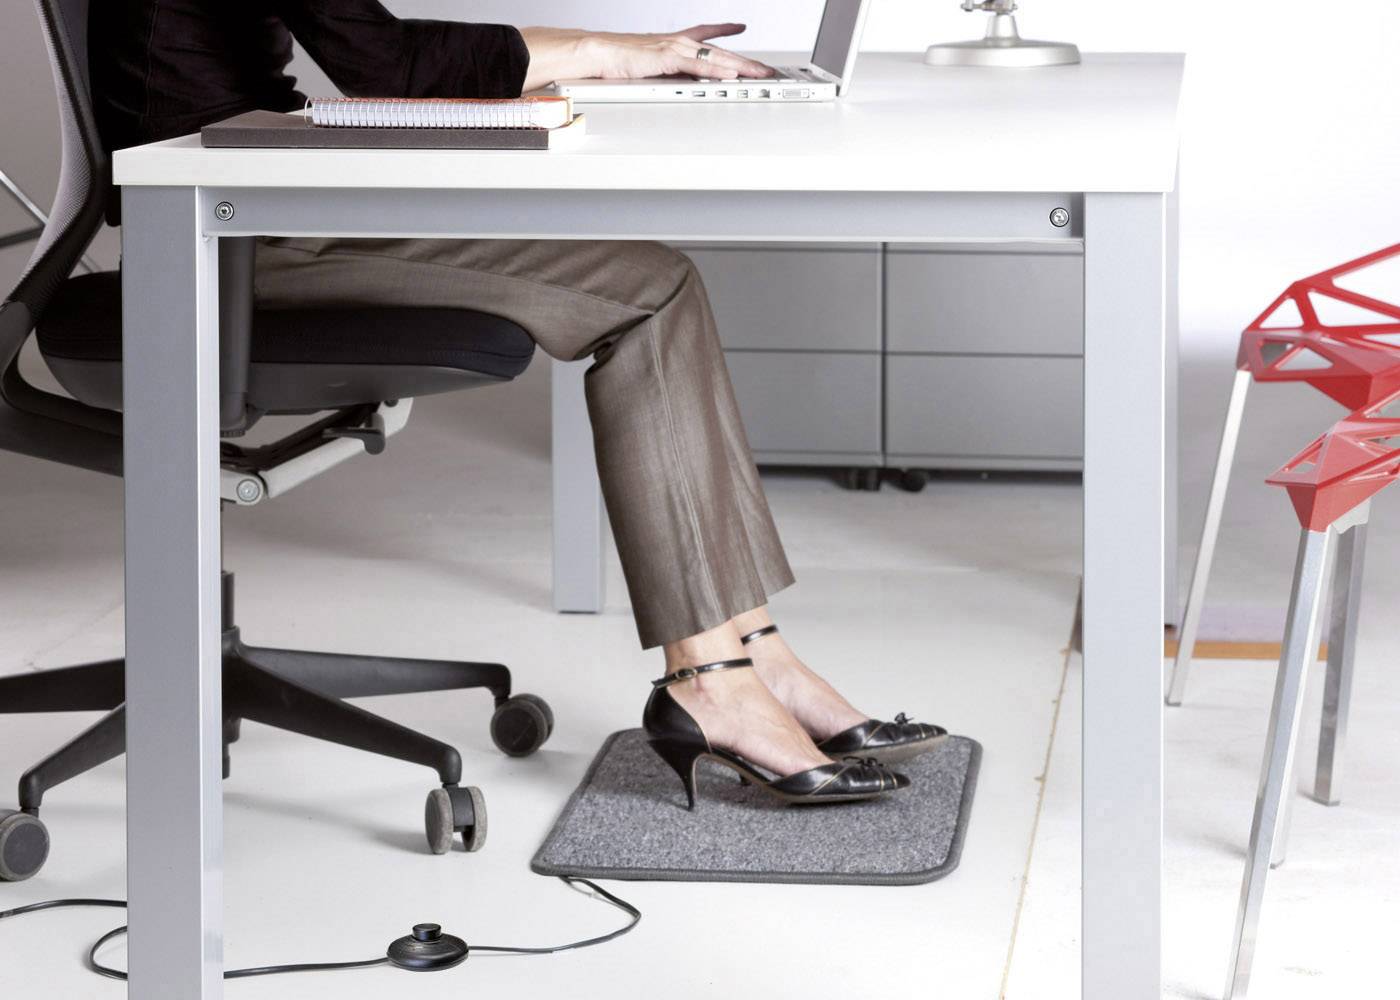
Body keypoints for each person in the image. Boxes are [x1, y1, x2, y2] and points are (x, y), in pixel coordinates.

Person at [93, 1, 946, 806]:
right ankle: (712, 686)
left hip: (259, 190)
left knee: (654, 281)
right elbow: (381, 60)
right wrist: (620, 53)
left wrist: (622, 59)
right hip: (226, 233)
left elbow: (359, 49)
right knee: (651, 289)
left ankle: (762, 658)